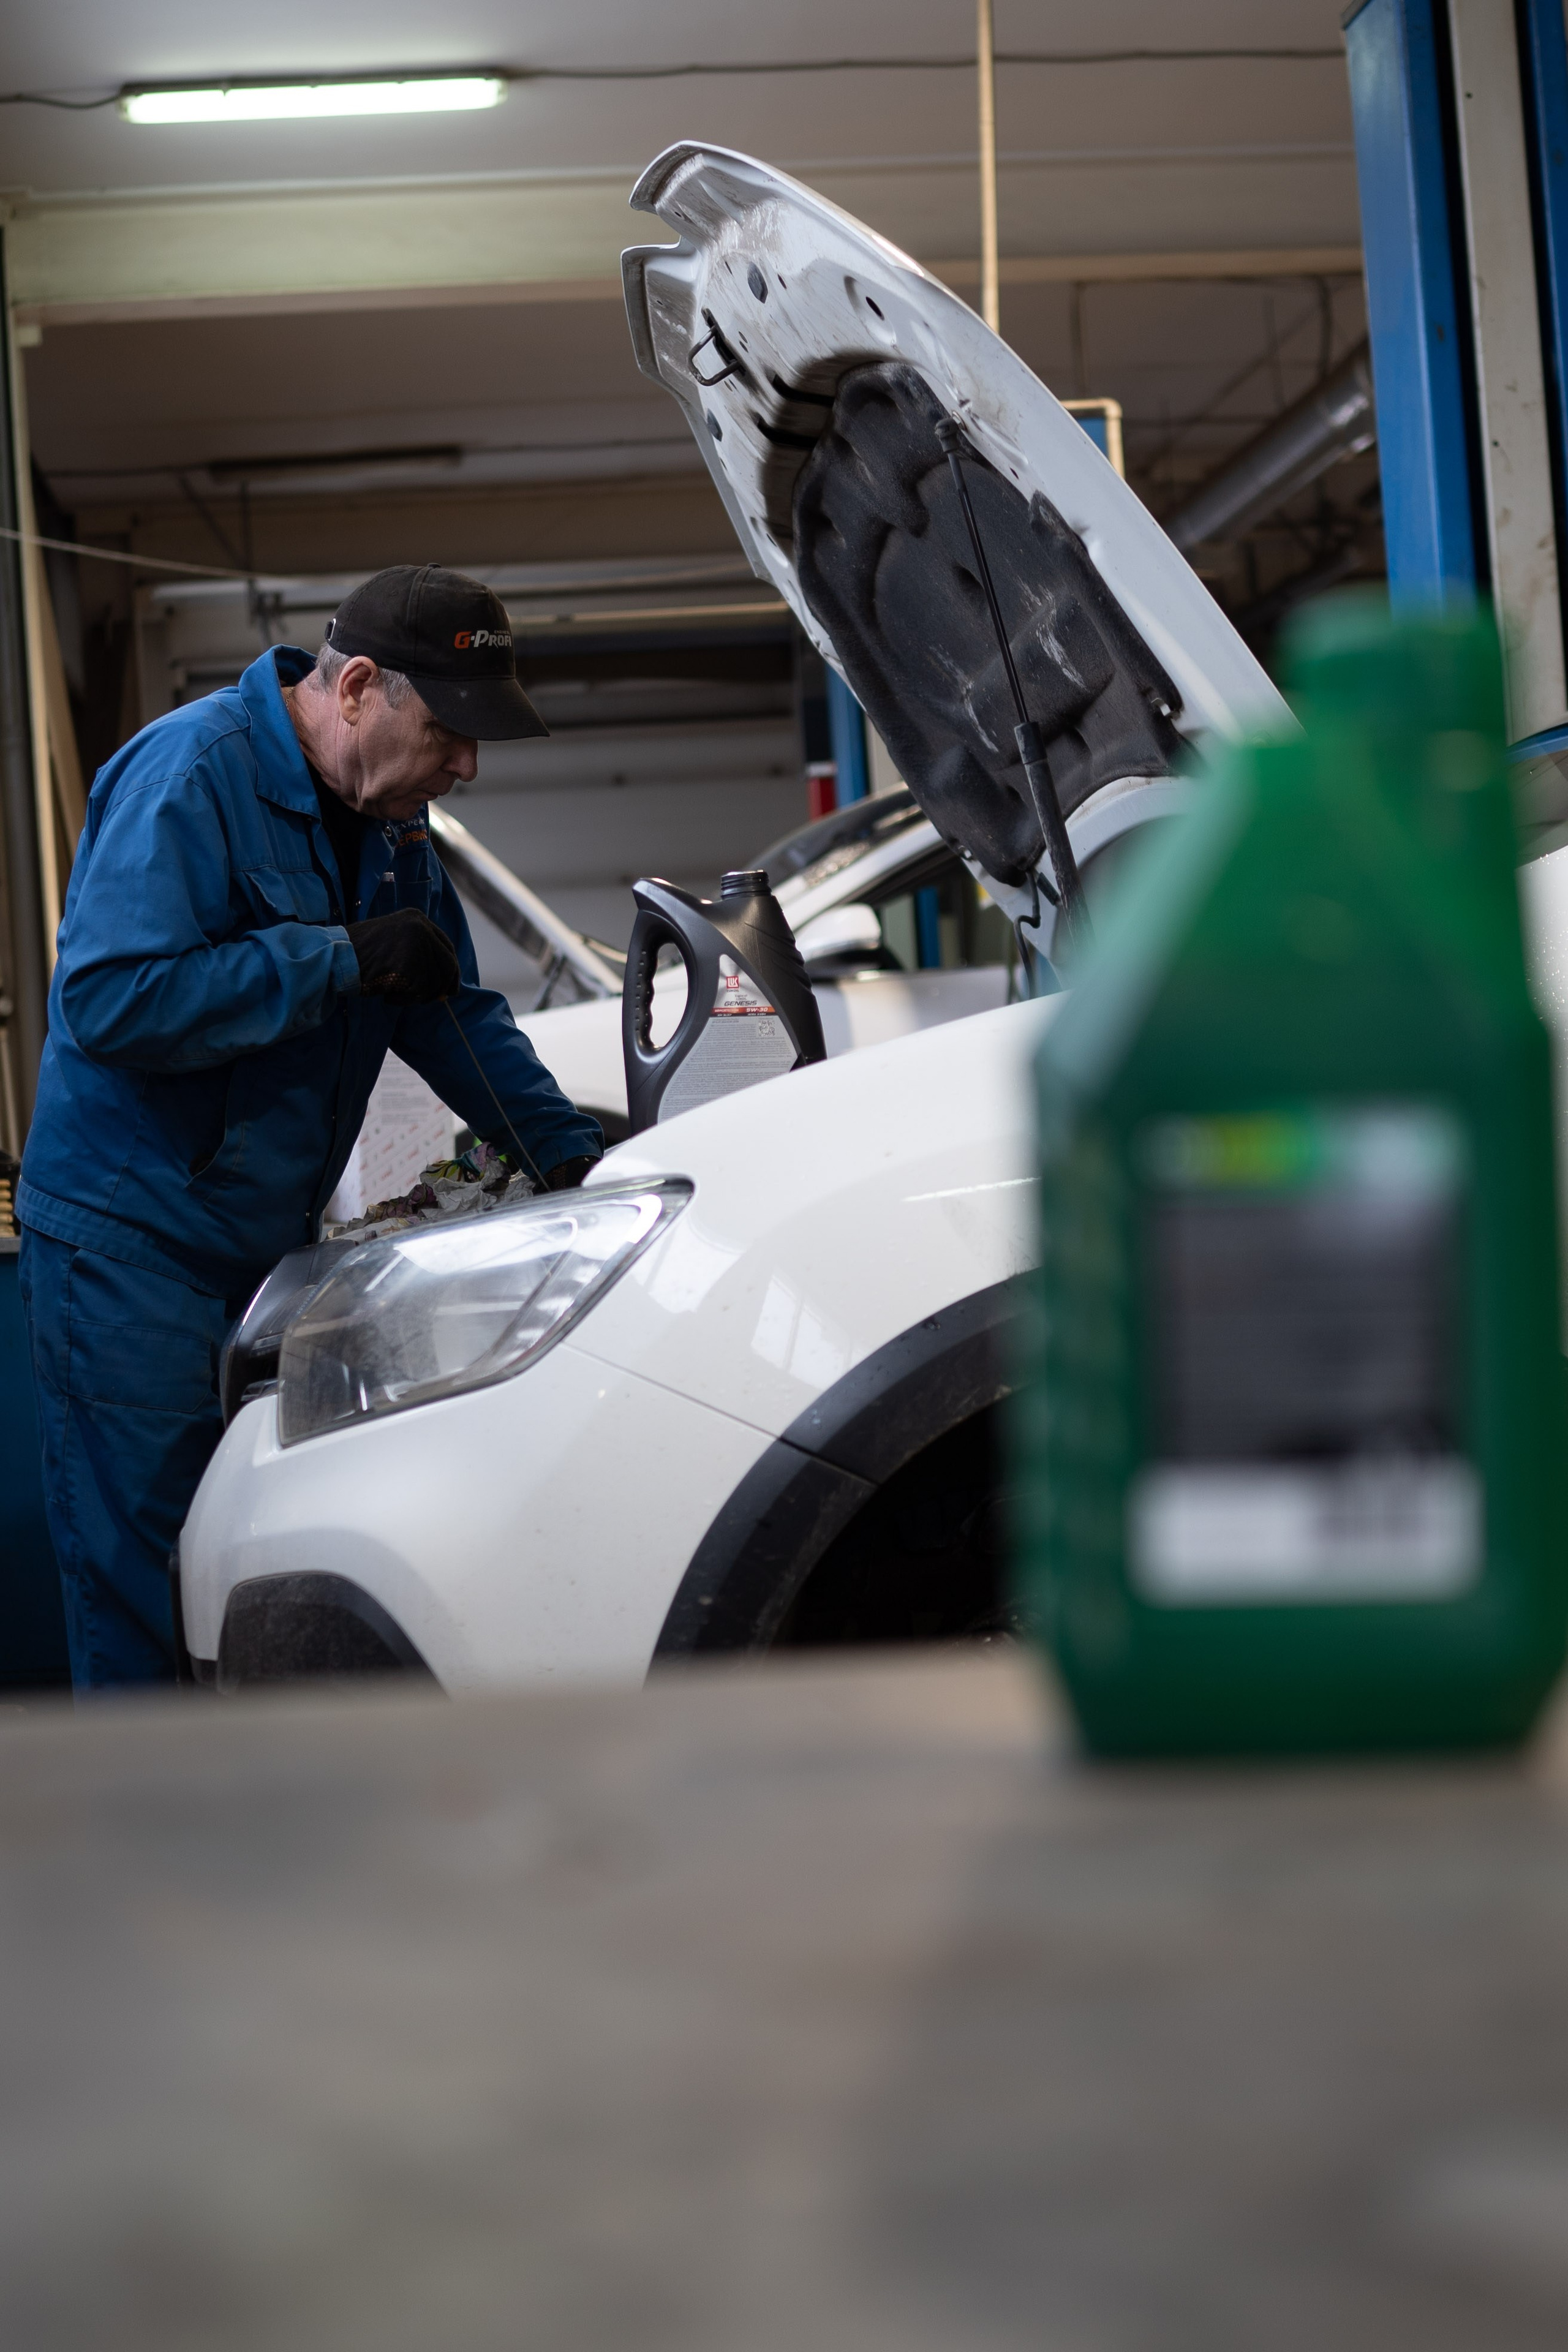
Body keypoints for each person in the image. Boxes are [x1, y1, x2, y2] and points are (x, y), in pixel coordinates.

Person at [17, 564, 603, 1692]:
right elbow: (108, 997)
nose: (466, 766)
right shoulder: (191, 772)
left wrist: (568, 1151)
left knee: (229, 1578)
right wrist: (333, 960)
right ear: (360, 689)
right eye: (449, 732)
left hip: (252, 1253)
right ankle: (152, 1862)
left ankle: (244, 1843)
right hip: (129, 1250)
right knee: (145, 1590)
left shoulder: (394, 824)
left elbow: (448, 1011)